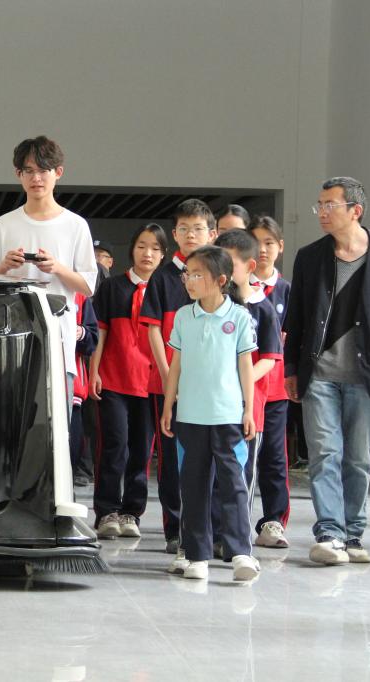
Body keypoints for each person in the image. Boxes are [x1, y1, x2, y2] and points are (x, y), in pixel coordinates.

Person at [284, 176, 370, 566]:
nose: (322, 212)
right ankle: (330, 532)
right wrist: (291, 367)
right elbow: (296, 317)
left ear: (355, 210)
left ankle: (353, 532)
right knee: (325, 453)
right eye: (320, 205)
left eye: (330, 205)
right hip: (319, 373)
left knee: (358, 458)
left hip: (368, 373)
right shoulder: (310, 257)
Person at [160, 245, 260, 582]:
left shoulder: (239, 317)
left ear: (220, 280)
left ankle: (241, 553)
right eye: (187, 275)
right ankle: (196, 554)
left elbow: (245, 366)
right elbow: (175, 365)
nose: (189, 281)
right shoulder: (183, 317)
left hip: (228, 417)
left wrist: (248, 409)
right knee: (193, 488)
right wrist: (168, 404)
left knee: (233, 486)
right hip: (190, 417)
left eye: (197, 275)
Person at [0, 135, 97, 409]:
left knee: (58, 425)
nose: (36, 178)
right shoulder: (4, 224)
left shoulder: (75, 225)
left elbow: (88, 286)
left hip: (59, 340)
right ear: (18, 174)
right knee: (10, 422)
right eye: (29, 171)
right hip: (9, 341)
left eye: (44, 170)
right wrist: (4, 267)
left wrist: (56, 267)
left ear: (58, 172)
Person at [141, 199, 217, 553]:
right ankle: (175, 528)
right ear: (174, 234)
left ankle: (209, 529)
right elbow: (153, 329)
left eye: (198, 228)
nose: (191, 235)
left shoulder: (218, 275)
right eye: (184, 229)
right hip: (168, 387)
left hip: (211, 388)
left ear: (212, 234)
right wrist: (169, 375)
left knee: (211, 459)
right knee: (171, 459)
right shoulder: (163, 276)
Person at [89, 224, 166, 538]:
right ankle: (106, 511)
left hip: (151, 382)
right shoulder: (112, 287)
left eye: (155, 249)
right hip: (114, 379)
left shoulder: (166, 289)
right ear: (132, 250)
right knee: (114, 445)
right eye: (141, 246)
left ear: (163, 255)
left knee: (142, 450)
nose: (148, 254)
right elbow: (101, 331)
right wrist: (94, 370)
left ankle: (131, 512)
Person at [214, 229, 282, 555]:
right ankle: (212, 535)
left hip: (247, 406)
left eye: (231, 263)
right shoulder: (210, 306)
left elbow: (270, 357)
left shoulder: (262, 308)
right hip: (211, 404)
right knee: (212, 471)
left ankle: (236, 539)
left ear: (250, 265)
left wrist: (240, 381)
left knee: (241, 473)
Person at [247, 215, 294, 547]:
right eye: (256, 242)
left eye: (269, 243)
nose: (262, 249)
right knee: (241, 458)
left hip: (275, 389)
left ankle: (274, 521)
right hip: (242, 388)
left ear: (280, 247)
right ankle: (234, 520)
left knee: (275, 457)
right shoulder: (238, 290)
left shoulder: (289, 291)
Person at [69, 293, 98, 487]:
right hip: (33, 388)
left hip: (73, 390)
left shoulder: (80, 296)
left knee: (71, 448)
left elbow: (92, 340)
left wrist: (81, 332)